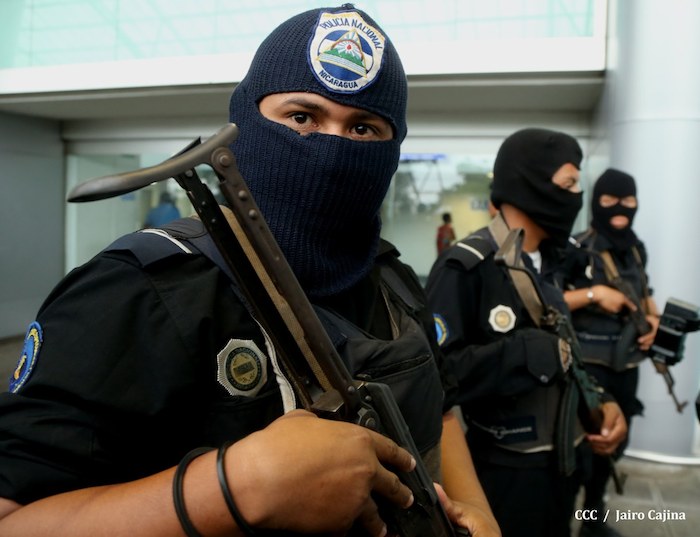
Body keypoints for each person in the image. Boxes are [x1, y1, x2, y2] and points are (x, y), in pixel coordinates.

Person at [0, 6, 499, 537]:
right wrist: (231, 488)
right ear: (244, 124)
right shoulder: (141, 291)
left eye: (362, 127)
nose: (332, 149)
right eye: (301, 117)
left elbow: (442, 409)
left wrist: (478, 509)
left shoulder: (394, 280)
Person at [426, 128, 628, 537]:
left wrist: (602, 402)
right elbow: (434, 378)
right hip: (507, 470)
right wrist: (523, 353)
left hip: (565, 461)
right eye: (568, 184)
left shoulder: (555, 262)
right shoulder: (466, 267)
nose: (577, 195)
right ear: (530, 183)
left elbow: (567, 349)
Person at [560, 168, 659, 537]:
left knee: (613, 449)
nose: (620, 207)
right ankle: (560, 523)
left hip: (626, 366)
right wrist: (594, 294)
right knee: (582, 453)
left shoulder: (635, 248)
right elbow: (549, 300)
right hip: (587, 370)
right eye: (610, 200)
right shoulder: (576, 248)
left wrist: (654, 321)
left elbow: (645, 294)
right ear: (597, 203)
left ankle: (592, 522)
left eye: (628, 200)